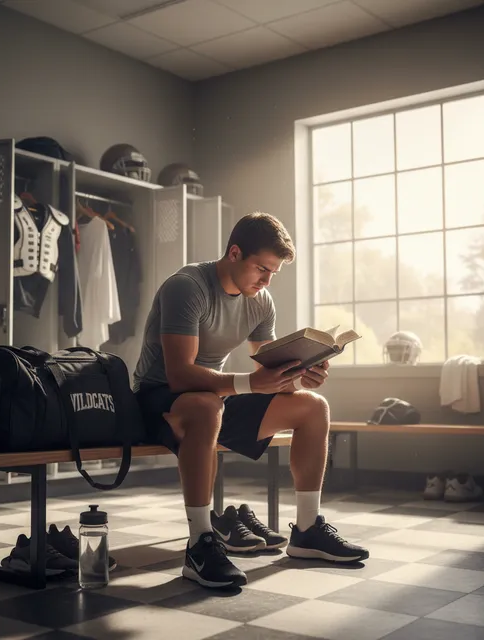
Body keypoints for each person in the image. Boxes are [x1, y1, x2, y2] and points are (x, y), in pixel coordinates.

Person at [133, 212, 369, 589]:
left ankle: (307, 531)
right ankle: (200, 543)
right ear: (234, 253)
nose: (266, 280)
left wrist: (300, 376)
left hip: (216, 394)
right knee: (207, 405)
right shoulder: (187, 287)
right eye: (261, 268)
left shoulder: (260, 300)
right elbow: (179, 373)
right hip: (160, 395)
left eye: (274, 272)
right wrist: (252, 384)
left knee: (313, 407)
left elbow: (268, 370)